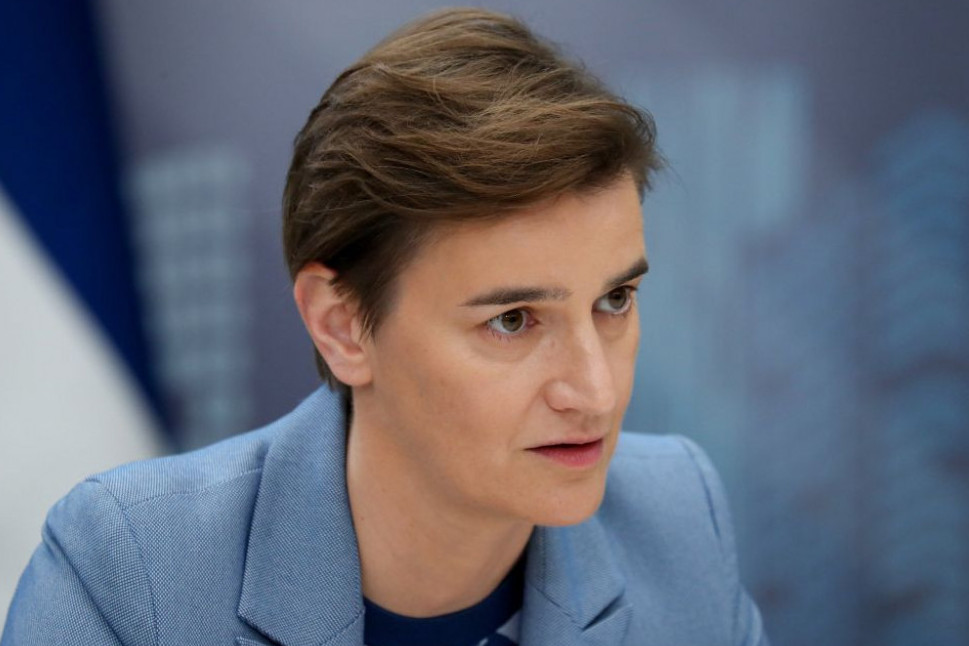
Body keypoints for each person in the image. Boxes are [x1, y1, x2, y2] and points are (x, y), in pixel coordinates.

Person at [1, 8, 767, 646]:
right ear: (340, 327)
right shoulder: (133, 570)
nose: (594, 391)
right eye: (511, 320)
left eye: (615, 301)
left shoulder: (676, 515)